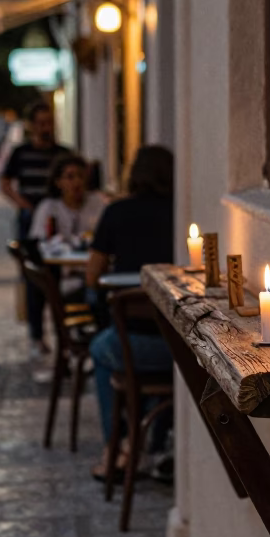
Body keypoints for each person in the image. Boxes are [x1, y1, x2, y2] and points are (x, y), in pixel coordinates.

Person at [86, 145, 175, 480]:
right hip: (180, 345)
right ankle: (157, 442)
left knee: (101, 349)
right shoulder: (181, 211)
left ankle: (119, 446)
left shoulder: (117, 212)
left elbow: (92, 276)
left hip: (132, 343)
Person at [1, 101, 70, 356]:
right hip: (30, 221)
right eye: (40, 123)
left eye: (48, 122)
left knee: (59, 277)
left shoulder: (62, 154)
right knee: (34, 277)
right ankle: (37, 334)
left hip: (58, 222)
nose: (45, 128)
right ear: (31, 126)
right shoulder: (21, 153)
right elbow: (5, 183)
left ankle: (64, 332)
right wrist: (25, 205)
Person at [28, 153, 105, 243]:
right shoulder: (48, 207)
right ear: (58, 182)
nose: (77, 182)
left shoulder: (97, 203)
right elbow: (38, 239)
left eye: (81, 176)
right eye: (70, 177)